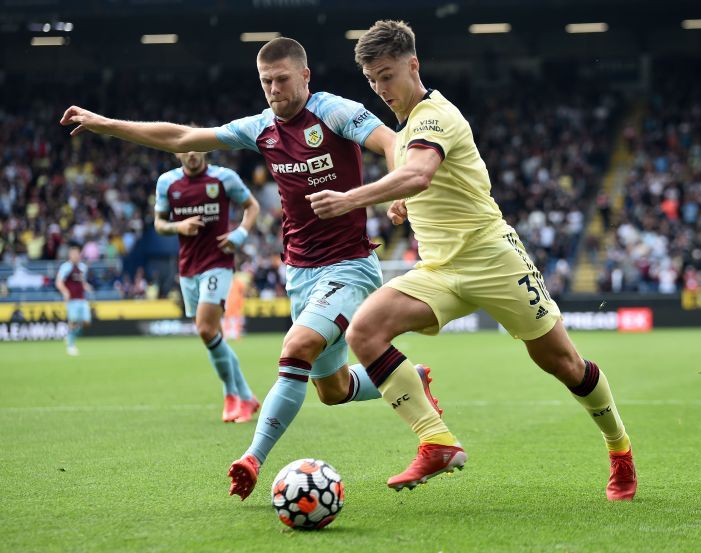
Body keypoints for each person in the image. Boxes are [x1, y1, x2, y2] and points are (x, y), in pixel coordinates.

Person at [60, 37, 441, 501]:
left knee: (295, 347)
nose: (274, 90)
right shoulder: (261, 127)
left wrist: (396, 189)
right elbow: (181, 137)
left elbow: (390, 140)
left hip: (349, 266)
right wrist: (104, 124)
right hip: (300, 274)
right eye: (266, 82)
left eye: (282, 79)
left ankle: (253, 458)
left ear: (305, 75)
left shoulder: (334, 111)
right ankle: (409, 376)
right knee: (334, 390)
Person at [307, 20, 637, 500]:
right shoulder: (404, 130)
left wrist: (351, 200)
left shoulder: (435, 115)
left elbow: (420, 174)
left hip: (494, 259)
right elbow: (419, 183)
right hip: (440, 270)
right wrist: (401, 203)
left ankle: (620, 450)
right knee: (364, 331)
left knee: (562, 363)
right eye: (372, 80)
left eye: (387, 75)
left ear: (413, 65)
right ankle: (436, 441)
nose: (381, 89)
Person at [154, 150, 261, 424]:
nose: (191, 153)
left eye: (196, 147)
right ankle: (245, 397)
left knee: (205, 329)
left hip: (218, 262)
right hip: (188, 268)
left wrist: (240, 233)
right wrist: (179, 226)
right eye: (185, 149)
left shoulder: (223, 178)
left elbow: (252, 206)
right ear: (177, 152)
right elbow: (159, 224)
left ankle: (232, 394)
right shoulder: (167, 182)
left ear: (204, 149)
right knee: (211, 335)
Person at [55, 244, 93, 356]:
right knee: (73, 322)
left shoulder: (82, 267)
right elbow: (58, 282)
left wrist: (87, 286)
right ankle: (71, 346)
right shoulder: (66, 267)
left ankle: (70, 336)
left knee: (86, 322)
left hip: (82, 298)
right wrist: (65, 292)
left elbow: (81, 282)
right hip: (72, 300)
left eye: (77, 253)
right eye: (73, 254)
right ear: (70, 255)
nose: (75, 256)